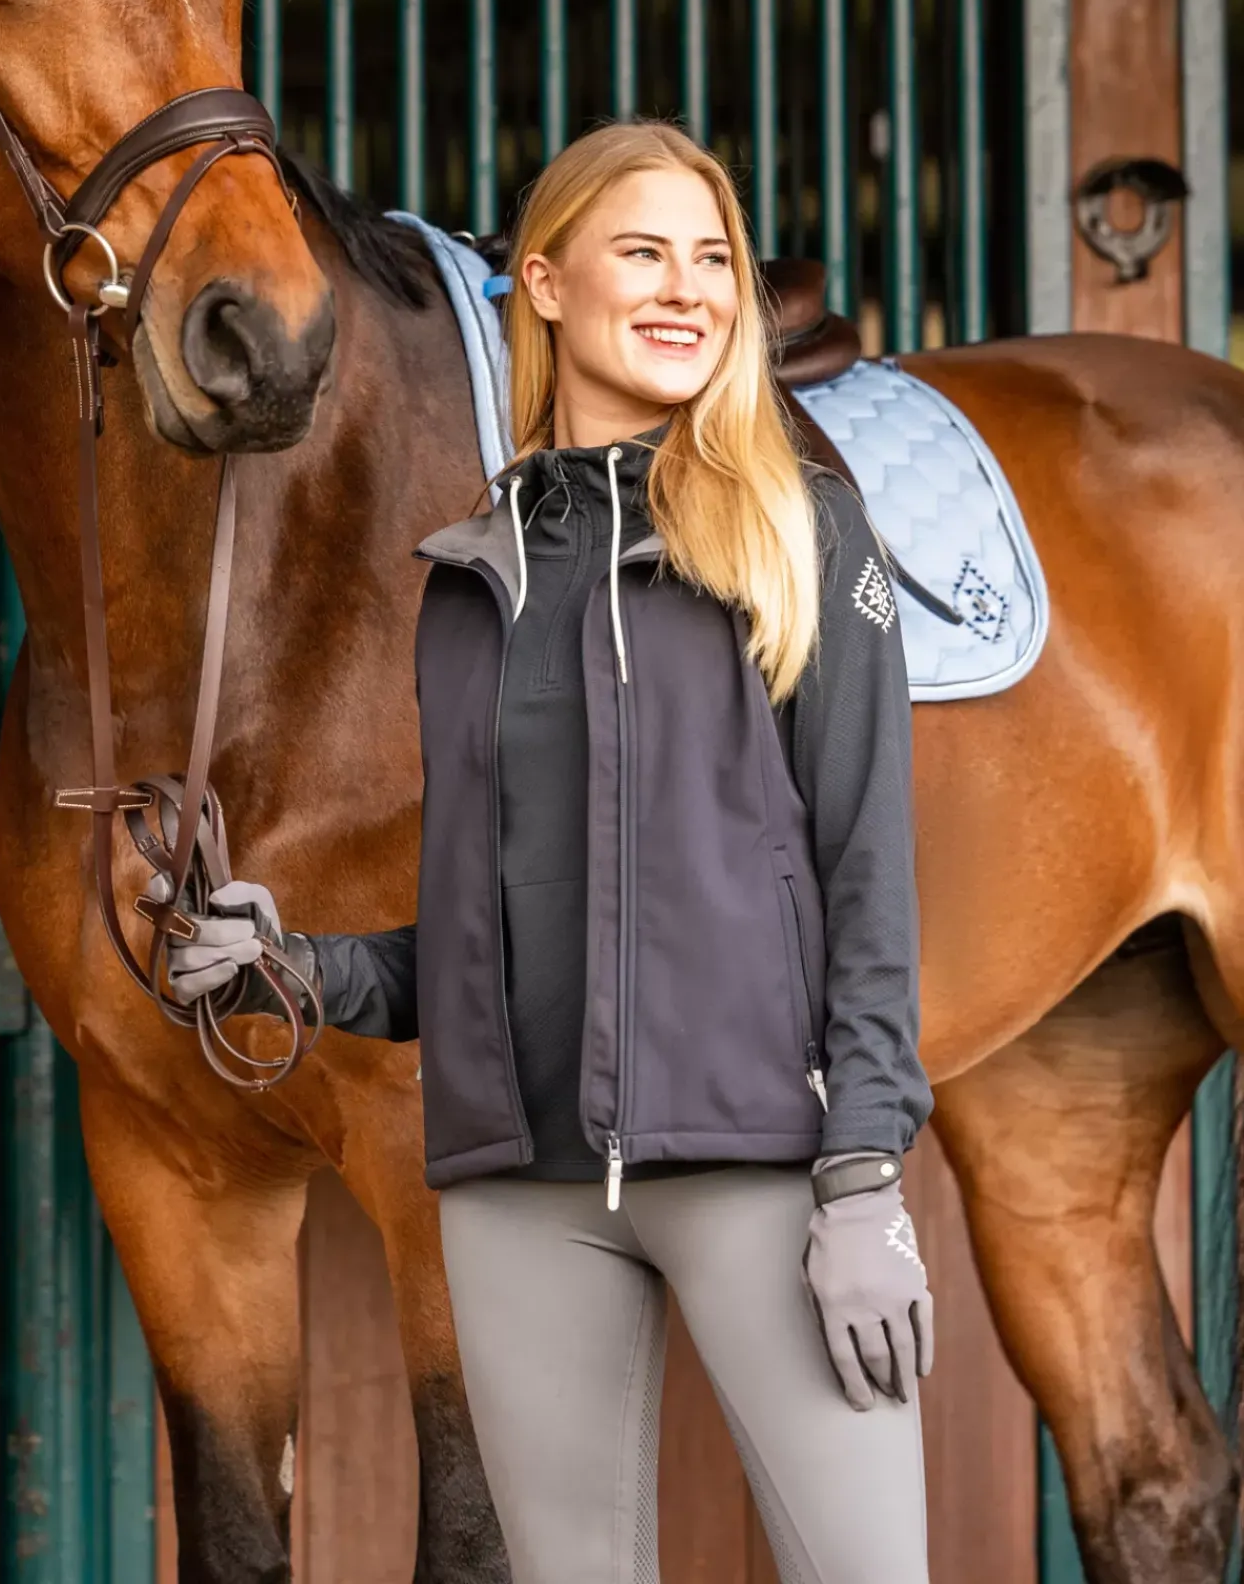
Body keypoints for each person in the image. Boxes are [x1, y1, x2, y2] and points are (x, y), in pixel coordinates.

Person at [172, 121, 933, 1584]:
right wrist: (296, 966)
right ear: (545, 283)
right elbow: (476, 933)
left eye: (712, 258)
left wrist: (861, 1181)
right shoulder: (473, 579)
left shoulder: (802, 532)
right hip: (520, 1192)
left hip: (761, 1168)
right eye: (643, 252)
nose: (688, 288)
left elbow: (868, 881)